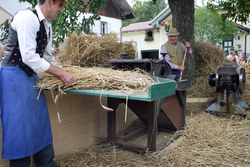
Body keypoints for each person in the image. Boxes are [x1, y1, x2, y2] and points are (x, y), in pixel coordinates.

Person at [0, 0, 77, 166]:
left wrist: (70, 72)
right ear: (49, 2)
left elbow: (47, 58)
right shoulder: (26, 17)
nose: (61, 10)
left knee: (39, 123)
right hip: (14, 77)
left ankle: (46, 163)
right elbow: (29, 57)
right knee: (19, 128)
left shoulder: (47, 25)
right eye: (60, 5)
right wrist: (61, 73)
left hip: (31, 78)